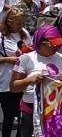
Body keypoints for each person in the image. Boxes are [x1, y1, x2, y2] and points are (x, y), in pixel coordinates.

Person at [11, 25, 62, 137]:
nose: (56, 48)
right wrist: (30, 80)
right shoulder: (26, 59)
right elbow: (14, 87)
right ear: (41, 43)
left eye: (58, 45)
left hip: (54, 109)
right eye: (53, 45)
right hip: (31, 109)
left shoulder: (61, 58)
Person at [0, 8, 29, 137]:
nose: (20, 26)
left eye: (22, 23)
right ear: (9, 21)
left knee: (21, 115)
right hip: (5, 81)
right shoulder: (1, 36)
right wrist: (8, 59)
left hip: (21, 80)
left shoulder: (24, 34)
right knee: (8, 116)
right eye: (18, 23)